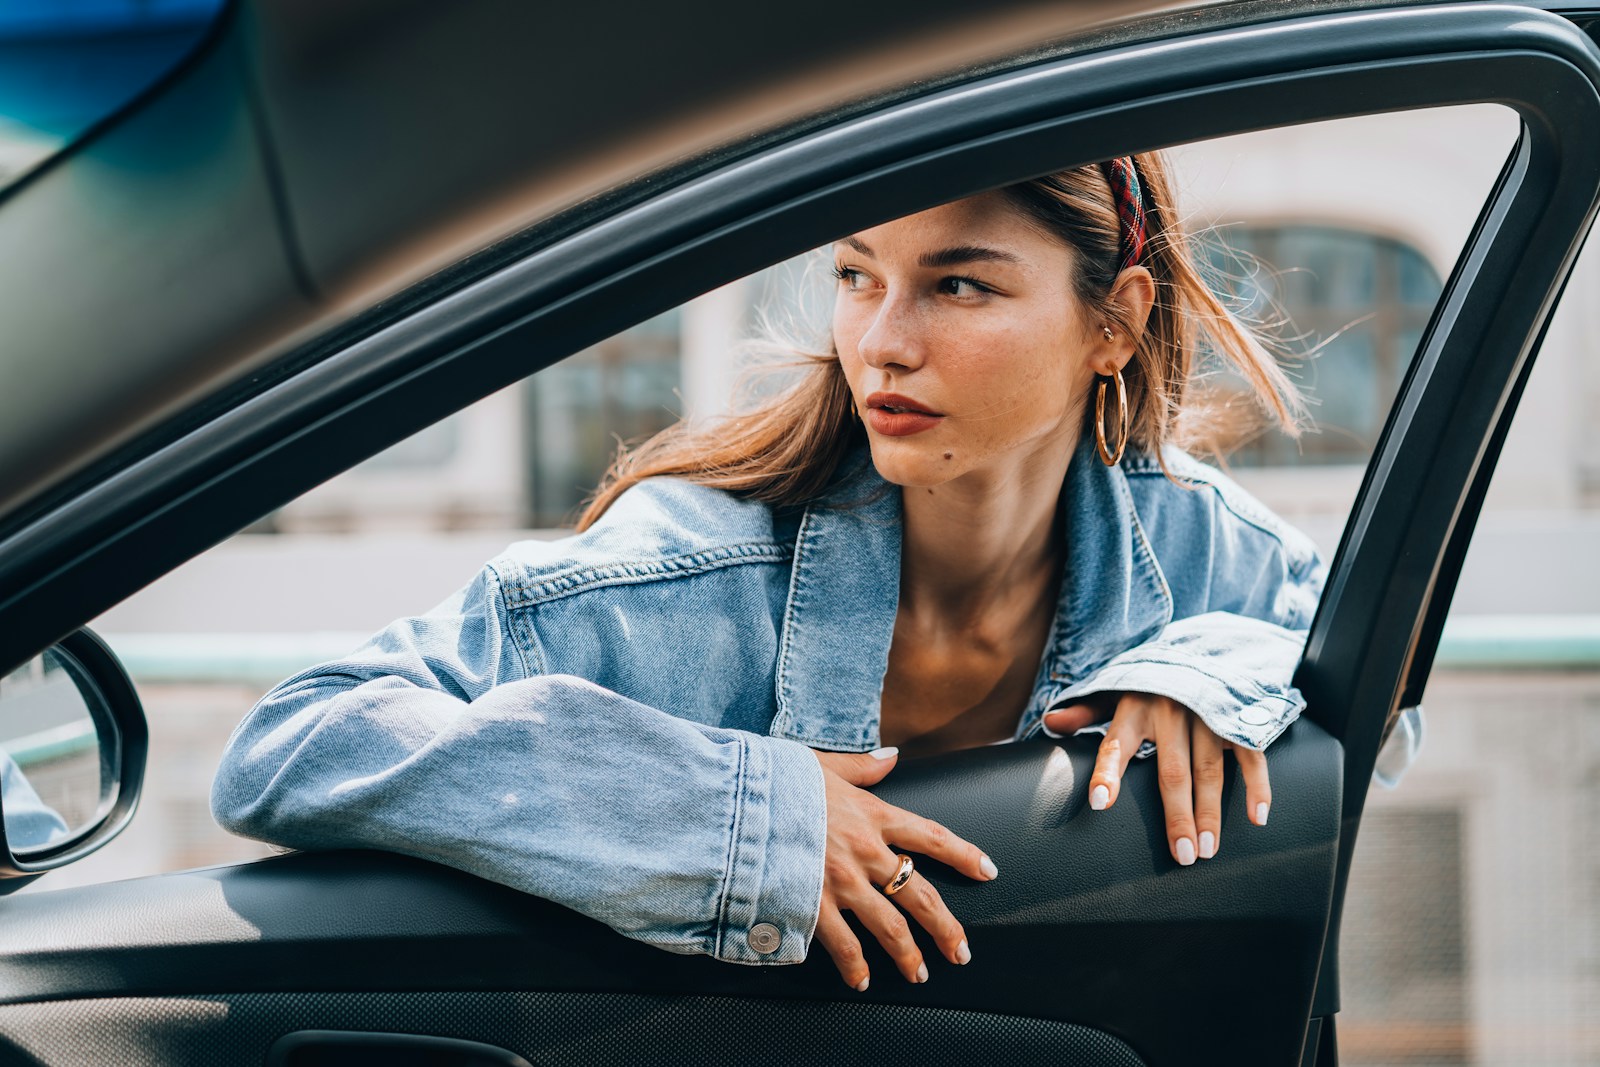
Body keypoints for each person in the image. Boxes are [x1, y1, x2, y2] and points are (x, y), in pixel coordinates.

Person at [212, 153, 1324, 992]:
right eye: (856, 273)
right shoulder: (683, 577)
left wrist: (1211, 670)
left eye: (959, 287)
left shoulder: (1205, 549)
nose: (881, 341)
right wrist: (745, 816)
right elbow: (293, 741)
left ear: (1114, 324)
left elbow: (1363, 679)